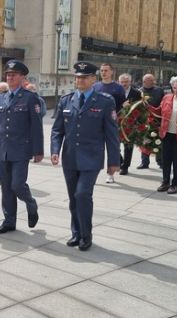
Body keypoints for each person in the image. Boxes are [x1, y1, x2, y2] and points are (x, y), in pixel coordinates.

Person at [51, 61, 120, 251]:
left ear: (93, 79)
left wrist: (114, 161)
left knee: (82, 194)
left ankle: (86, 235)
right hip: (70, 158)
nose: (79, 80)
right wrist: (55, 150)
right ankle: (76, 233)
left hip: (91, 158)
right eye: (77, 77)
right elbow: (57, 130)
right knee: (73, 198)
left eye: (83, 77)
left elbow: (112, 134)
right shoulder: (66, 100)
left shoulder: (105, 101)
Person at [0, 60, 43, 233]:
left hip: (21, 149)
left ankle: (30, 202)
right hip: (3, 149)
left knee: (17, 185)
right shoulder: (0, 97)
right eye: (8, 74)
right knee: (6, 188)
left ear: (22, 77)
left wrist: (38, 150)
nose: (10, 77)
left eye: (14, 74)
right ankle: (9, 221)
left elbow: (36, 126)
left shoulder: (29, 98)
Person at [93, 63, 125, 184]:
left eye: (106, 70)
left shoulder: (118, 87)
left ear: (112, 72)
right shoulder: (95, 86)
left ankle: (110, 173)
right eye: (101, 70)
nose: (103, 73)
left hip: (112, 122)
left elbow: (123, 105)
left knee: (113, 148)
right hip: (96, 122)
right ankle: (93, 171)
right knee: (95, 148)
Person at [138, 74, 164, 169]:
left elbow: (163, 104)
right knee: (144, 142)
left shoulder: (159, 91)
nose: (153, 82)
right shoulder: (139, 91)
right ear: (144, 81)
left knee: (158, 141)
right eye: (151, 80)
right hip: (143, 121)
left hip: (157, 120)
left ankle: (160, 161)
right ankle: (144, 162)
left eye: (153, 80)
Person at [119, 73, 142, 175]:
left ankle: (125, 166)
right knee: (114, 145)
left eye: (126, 82)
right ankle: (120, 161)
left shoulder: (137, 93)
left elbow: (141, 108)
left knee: (128, 145)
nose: (124, 84)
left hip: (130, 123)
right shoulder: (116, 92)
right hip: (117, 122)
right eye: (122, 82)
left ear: (130, 82)